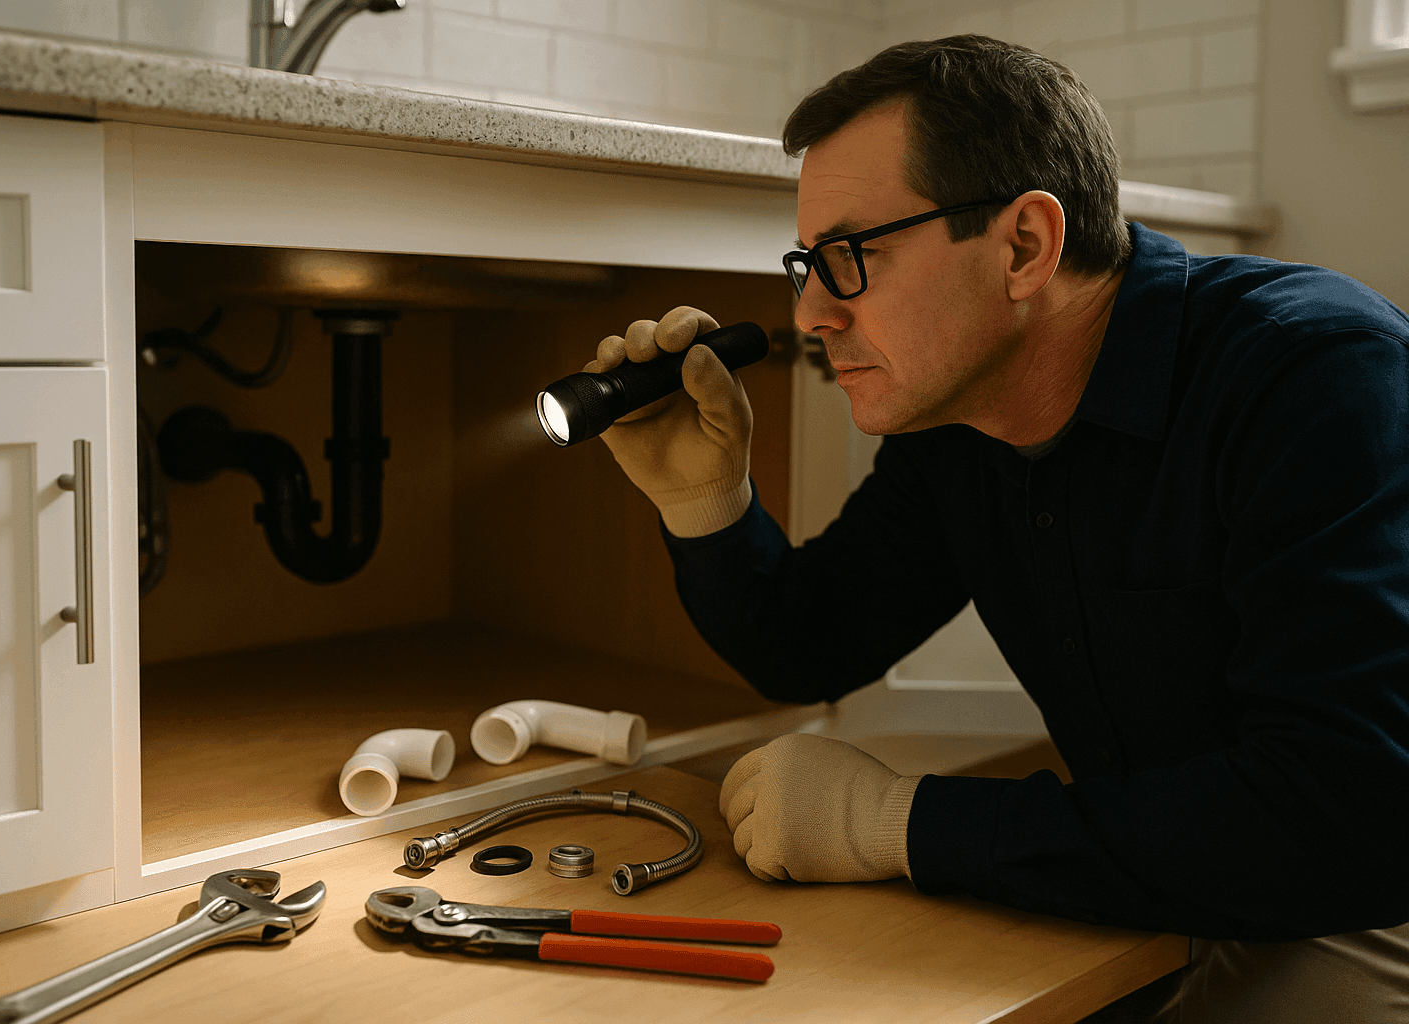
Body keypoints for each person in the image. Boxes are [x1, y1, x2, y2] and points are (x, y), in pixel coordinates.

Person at [582, 34, 1409, 1024]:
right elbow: (812, 641)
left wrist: (900, 822)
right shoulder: (963, 427)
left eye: (850, 259)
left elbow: (1348, 816)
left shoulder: (1318, 377)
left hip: (1372, 899)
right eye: (808, 263)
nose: (809, 315)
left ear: (1023, 245)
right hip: (1190, 876)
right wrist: (705, 500)